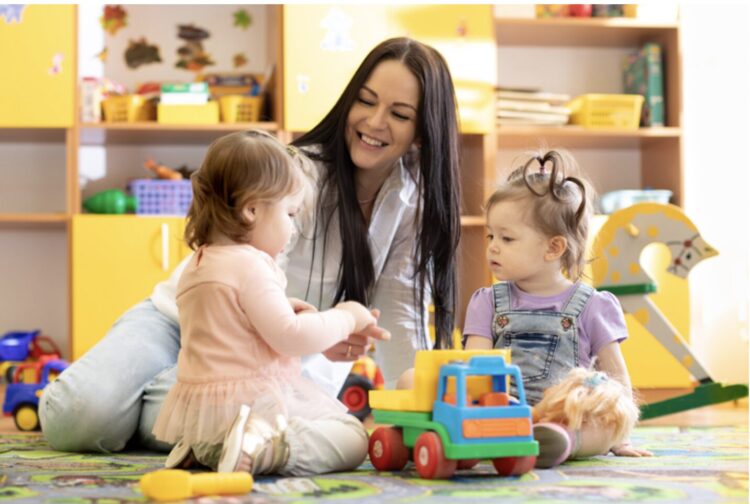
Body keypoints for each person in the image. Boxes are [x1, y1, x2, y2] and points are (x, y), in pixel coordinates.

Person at [39, 36, 461, 454]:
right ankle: (147, 405)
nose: (374, 121)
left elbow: (399, 314)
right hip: (183, 321)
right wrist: (319, 329)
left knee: (231, 424)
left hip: (272, 361)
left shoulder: (412, 203)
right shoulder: (295, 173)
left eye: (399, 114)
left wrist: (420, 407)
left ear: (422, 132)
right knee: (77, 416)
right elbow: (243, 278)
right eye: (365, 101)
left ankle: (149, 407)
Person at [151, 130, 382, 474]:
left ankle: (207, 447)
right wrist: (347, 316)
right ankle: (270, 449)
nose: (293, 228)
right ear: (251, 210)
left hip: (207, 415)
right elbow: (291, 337)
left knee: (320, 426)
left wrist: (283, 304)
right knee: (352, 436)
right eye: (290, 214)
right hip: (253, 405)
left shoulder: (198, 266)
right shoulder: (252, 265)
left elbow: (232, 325)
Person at [462, 149, 652, 467]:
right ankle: (513, 434)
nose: (492, 246)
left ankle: (557, 441)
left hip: (566, 416)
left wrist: (621, 436)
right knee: (418, 382)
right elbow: (474, 369)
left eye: (507, 239)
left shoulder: (593, 305)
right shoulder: (486, 302)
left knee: (603, 423)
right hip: (501, 409)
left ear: (553, 247)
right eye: (490, 235)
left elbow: (616, 375)